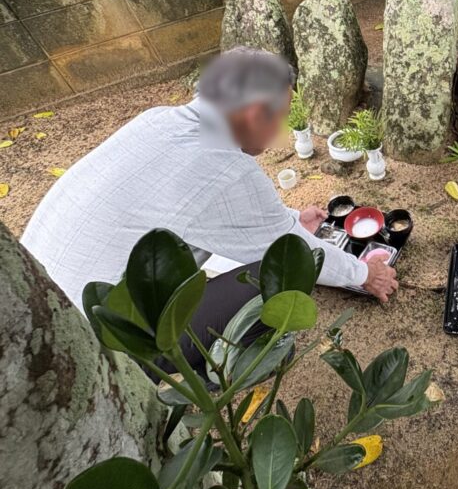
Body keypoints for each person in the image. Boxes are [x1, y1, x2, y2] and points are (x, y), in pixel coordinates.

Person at [21, 46, 398, 372]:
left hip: (35, 315)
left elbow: (223, 212)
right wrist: (365, 274)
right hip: (99, 351)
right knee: (274, 277)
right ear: (253, 113)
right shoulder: (222, 165)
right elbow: (294, 252)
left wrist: (291, 220)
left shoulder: (157, 121)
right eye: (281, 116)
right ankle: (214, 369)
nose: (281, 128)